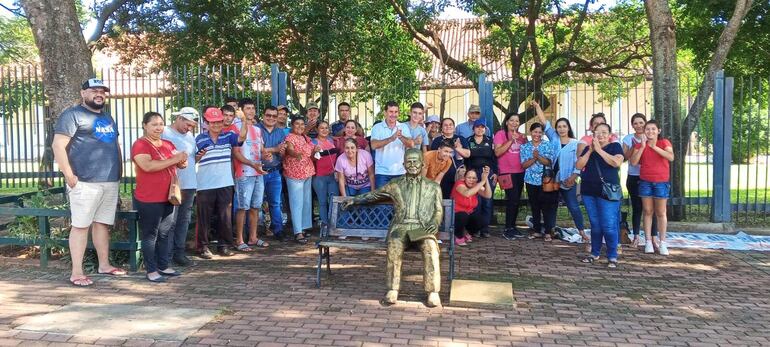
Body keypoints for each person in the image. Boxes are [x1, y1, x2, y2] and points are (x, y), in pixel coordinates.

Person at [341, 149, 444, 307]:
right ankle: (393, 289)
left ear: (422, 163)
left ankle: (432, 292)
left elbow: (438, 210)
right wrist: (355, 199)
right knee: (394, 245)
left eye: (415, 161)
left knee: (430, 247)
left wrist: (435, 223)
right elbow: (374, 195)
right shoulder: (395, 184)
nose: (412, 165)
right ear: (403, 164)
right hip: (401, 227)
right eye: (408, 161)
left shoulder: (433, 187)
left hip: (421, 228)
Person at [52, 78, 127, 286]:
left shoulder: (108, 117)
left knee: (102, 224)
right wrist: (68, 175)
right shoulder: (72, 115)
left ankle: (104, 265)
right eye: (94, 90)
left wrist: (119, 171)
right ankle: (76, 272)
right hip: (84, 181)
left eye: (102, 91)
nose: (99, 93)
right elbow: (58, 145)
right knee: (81, 225)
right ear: (83, 93)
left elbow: (115, 144)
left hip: (109, 180)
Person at [131, 112, 187, 282]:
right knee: (150, 234)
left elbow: (179, 161)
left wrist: (182, 161)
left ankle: (163, 265)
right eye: (154, 124)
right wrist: (174, 159)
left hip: (168, 196)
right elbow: (147, 166)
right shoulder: (140, 145)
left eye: (161, 124)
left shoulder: (168, 144)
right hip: (149, 197)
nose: (158, 127)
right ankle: (151, 270)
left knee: (165, 232)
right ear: (144, 125)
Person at [194, 107, 248, 259]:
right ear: (206, 123)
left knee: (225, 217)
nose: (216, 125)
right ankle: (203, 247)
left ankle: (223, 245)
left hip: (225, 183)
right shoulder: (200, 139)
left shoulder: (229, 135)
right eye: (213, 122)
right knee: (205, 217)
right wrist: (199, 156)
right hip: (205, 184)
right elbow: (193, 160)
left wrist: (244, 120)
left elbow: (242, 137)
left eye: (219, 122)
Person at [532, 101, 589, 244]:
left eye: (564, 126)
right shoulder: (554, 139)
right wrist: (538, 107)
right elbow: (544, 122)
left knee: (573, 206)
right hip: (552, 179)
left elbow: (579, 161)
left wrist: (574, 177)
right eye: (559, 126)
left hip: (568, 179)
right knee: (550, 206)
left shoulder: (576, 143)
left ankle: (582, 231)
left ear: (568, 128)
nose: (561, 129)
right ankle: (549, 231)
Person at [576, 123, 624, 268]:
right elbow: (578, 165)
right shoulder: (587, 148)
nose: (601, 135)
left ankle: (612, 256)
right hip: (589, 191)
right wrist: (591, 150)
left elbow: (616, 162)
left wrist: (600, 150)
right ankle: (594, 253)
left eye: (604, 132)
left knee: (609, 226)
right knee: (595, 225)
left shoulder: (615, 147)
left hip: (607, 192)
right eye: (598, 132)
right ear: (593, 135)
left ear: (610, 135)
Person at [630, 120, 675, 255]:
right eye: (647, 129)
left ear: (658, 131)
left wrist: (654, 146)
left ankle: (662, 242)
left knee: (661, 212)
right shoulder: (639, 145)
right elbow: (633, 162)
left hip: (661, 181)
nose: (650, 132)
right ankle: (648, 241)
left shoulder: (664, 143)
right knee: (648, 211)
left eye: (653, 129)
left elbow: (670, 157)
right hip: (645, 181)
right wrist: (644, 147)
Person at [162, 107, 199, 266]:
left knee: (184, 220)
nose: (189, 129)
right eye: (187, 125)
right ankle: (166, 256)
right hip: (172, 184)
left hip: (189, 183)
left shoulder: (190, 136)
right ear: (179, 119)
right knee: (171, 221)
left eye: (192, 126)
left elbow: (191, 158)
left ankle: (179, 253)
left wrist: (198, 156)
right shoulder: (164, 132)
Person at [232, 105, 269, 252]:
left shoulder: (257, 130)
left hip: (257, 173)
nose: (251, 111)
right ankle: (239, 239)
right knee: (242, 207)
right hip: (244, 173)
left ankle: (253, 237)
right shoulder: (235, 128)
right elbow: (236, 153)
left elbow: (261, 150)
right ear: (240, 110)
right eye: (247, 108)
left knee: (255, 206)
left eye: (253, 108)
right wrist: (251, 164)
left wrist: (267, 155)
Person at [623, 113, 658, 248]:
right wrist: (634, 146)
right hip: (634, 176)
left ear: (645, 123)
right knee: (637, 207)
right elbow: (624, 158)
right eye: (635, 123)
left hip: (650, 176)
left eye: (641, 123)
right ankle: (636, 236)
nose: (638, 126)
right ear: (632, 125)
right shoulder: (628, 139)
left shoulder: (651, 137)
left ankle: (653, 237)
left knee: (651, 208)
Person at [284, 117, 320, 243]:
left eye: (302, 124)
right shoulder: (289, 137)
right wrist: (295, 154)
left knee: (306, 202)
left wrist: (315, 151)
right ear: (292, 125)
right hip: (294, 174)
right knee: (296, 203)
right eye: (297, 124)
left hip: (307, 172)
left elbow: (311, 157)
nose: (299, 126)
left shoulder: (306, 138)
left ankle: (303, 228)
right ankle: (297, 232)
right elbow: (289, 150)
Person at [520, 123, 558, 241]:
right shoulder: (525, 147)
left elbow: (548, 162)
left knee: (546, 206)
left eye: (540, 132)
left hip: (544, 181)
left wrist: (538, 157)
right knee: (535, 206)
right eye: (535, 132)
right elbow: (524, 165)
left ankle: (547, 231)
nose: (537, 134)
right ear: (531, 132)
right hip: (530, 180)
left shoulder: (547, 145)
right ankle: (537, 230)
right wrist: (534, 158)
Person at [494, 112, 528, 240]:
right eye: (512, 120)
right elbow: (497, 152)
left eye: (517, 121)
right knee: (512, 199)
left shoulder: (522, 137)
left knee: (516, 200)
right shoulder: (500, 134)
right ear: (507, 122)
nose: (514, 123)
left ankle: (513, 227)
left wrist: (523, 139)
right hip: (506, 172)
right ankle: (507, 228)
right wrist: (511, 140)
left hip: (520, 171)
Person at [258, 106, 289, 241]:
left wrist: (280, 151)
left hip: (275, 171)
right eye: (268, 115)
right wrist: (275, 149)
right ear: (263, 115)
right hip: (258, 170)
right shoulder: (256, 129)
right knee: (255, 203)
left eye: (274, 116)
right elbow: (256, 149)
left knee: (275, 203)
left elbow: (282, 151)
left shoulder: (281, 132)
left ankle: (278, 230)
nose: (271, 118)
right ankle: (252, 231)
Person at [370, 101, 414, 187]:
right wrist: (391, 139)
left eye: (396, 112)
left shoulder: (403, 127)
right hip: (382, 173)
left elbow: (411, 144)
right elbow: (373, 145)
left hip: (400, 171)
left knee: (400, 200)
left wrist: (401, 137)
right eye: (391, 111)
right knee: (382, 200)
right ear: (385, 112)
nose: (393, 114)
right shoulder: (377, 127)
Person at [465, 119, 497, 238]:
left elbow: (495, 158)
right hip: (473, 174)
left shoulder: (490, 140)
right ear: (473, 128)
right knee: (475, 202)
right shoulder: (468, 141)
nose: (480, 129)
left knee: (487, 202)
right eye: (477, 127)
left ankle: (485, 228)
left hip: (488, 173)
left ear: (485, 129)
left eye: (482, 127)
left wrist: (496, 173)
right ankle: (475, 228)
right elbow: (466, 159)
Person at [452, 167, 493, 246]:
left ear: (477, 179)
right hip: (455, 214)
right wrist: (482, 182)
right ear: (464, 178)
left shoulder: (476, 185)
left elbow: (488, 195)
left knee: (483, 221)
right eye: (469, 177)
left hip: (468, 214)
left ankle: (466, 232)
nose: (471, 180)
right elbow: (467, 193)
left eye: (474, 178)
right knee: (463, 216)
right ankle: (458, 236)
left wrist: (486, 179)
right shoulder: (459, 184)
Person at [430, 118, 470, 198]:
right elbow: (433, 157)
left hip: (458, 174)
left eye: (450, 125)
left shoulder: (461, 139)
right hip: (442, 175)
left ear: (454, 127)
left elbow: (468, 154)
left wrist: (458, 148)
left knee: (458, 199)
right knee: (443, 199)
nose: (448, 127)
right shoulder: (437, 140)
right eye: (445, 125)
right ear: (441, 128)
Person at [311, 121, 340, 228]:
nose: (324, 130)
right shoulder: (313, 142)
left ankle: (334, 224)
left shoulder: (331, 140)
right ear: (317, 130)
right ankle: (325, 225)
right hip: (319, 177)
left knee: (334, 200)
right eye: (322, 128)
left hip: (332, 176)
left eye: (326, 128)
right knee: (322, 202)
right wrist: (314, 152)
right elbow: (312, 159)